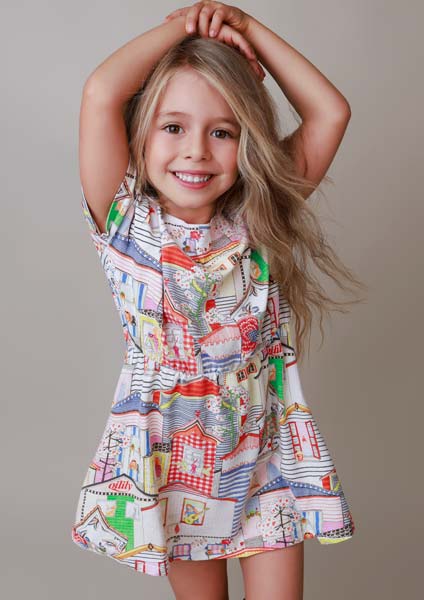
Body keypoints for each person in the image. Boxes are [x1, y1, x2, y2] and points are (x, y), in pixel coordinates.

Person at [71, 2, 367, 599]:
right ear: (139, 133)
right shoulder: (125, 221)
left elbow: (330, 112)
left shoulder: (259, 214)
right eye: (173, 127)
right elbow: (102, 91)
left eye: (222, 131)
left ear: (246, 141)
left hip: (266, 455)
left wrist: (246, 28)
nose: (197, 151)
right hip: (173, 458)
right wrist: (184, 29)